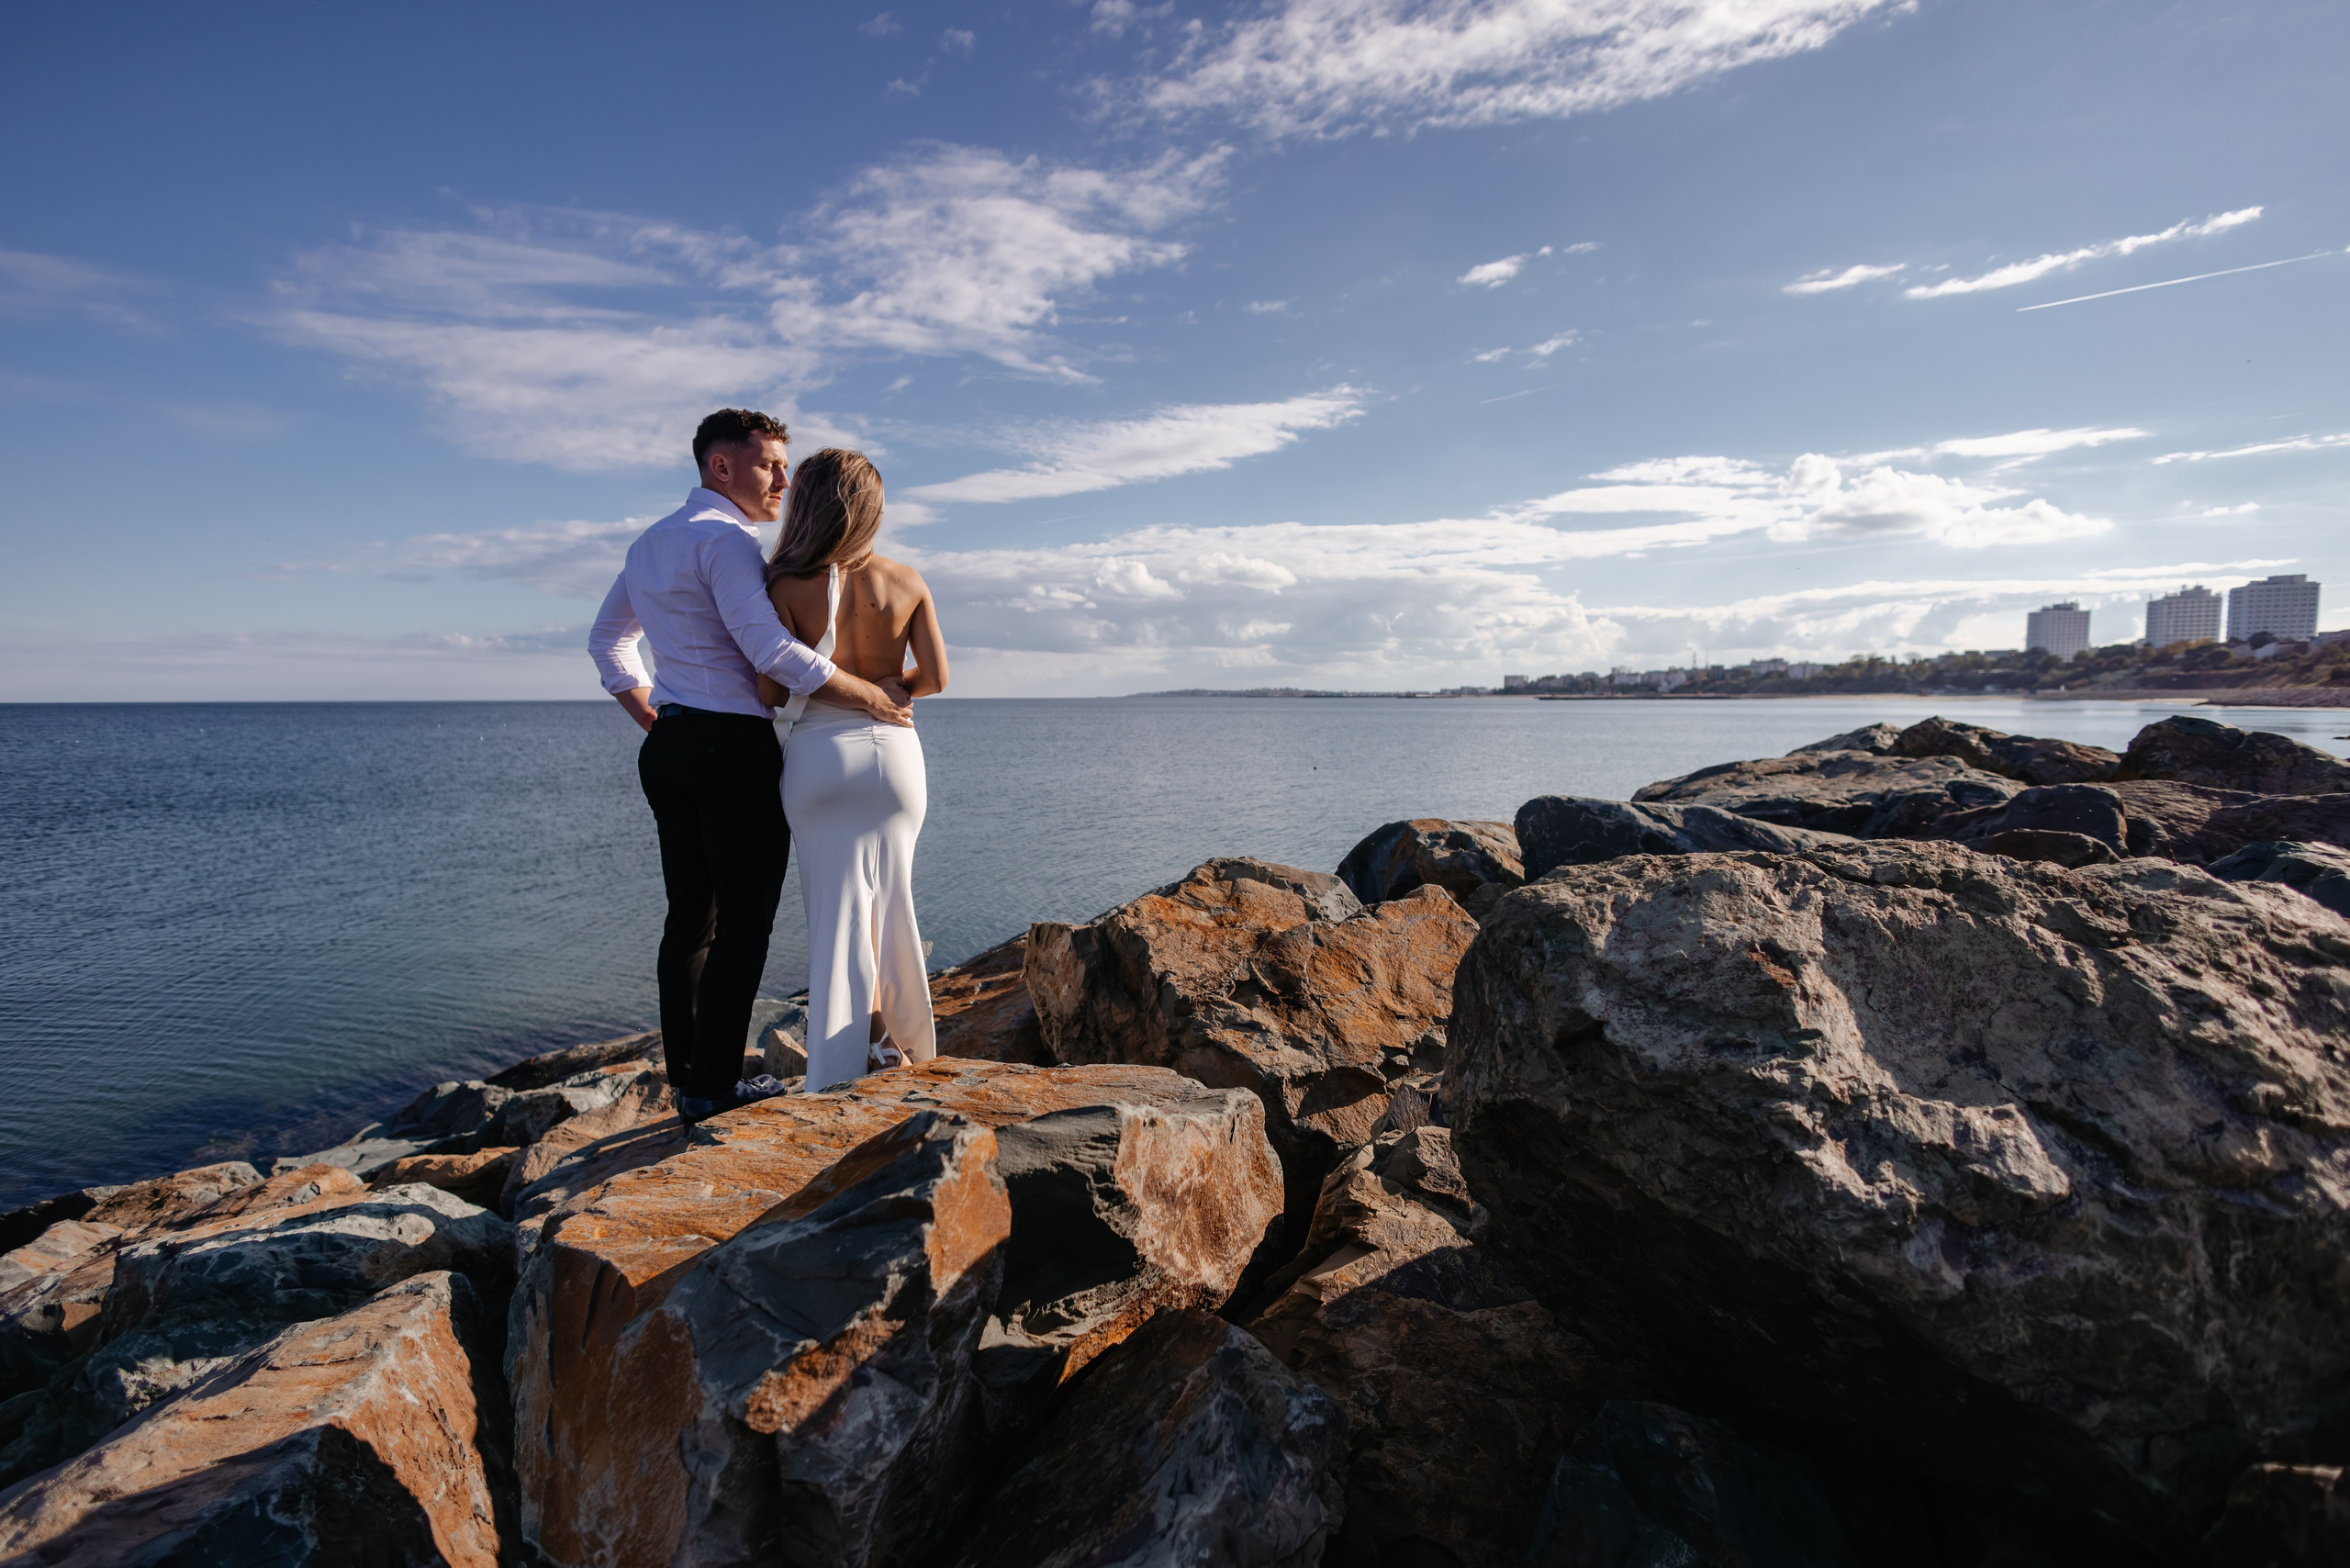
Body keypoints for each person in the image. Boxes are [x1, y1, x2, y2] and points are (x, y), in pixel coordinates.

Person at [588, 409, 912, 1124]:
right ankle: (715, 1088)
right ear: (721, 467)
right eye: (769, 465)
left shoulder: (650, 543)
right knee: (742, 925)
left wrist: (652, 714)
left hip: (670, 746)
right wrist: (872, 698)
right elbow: (772, 653)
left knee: (689, 923)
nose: (783, 482)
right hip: (730, 748)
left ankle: (690, 1079)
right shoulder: (727, 542)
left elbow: (608, 641)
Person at [757, 449, 948, 1091]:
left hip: (822, 757)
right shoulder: (907, 579)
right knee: (892, 903)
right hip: (896, 757)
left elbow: (771, 694)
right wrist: (894, 690)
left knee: (836, 916)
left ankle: (844, 1063)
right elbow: (939, 678)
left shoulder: (786, 586)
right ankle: (895, 1044)